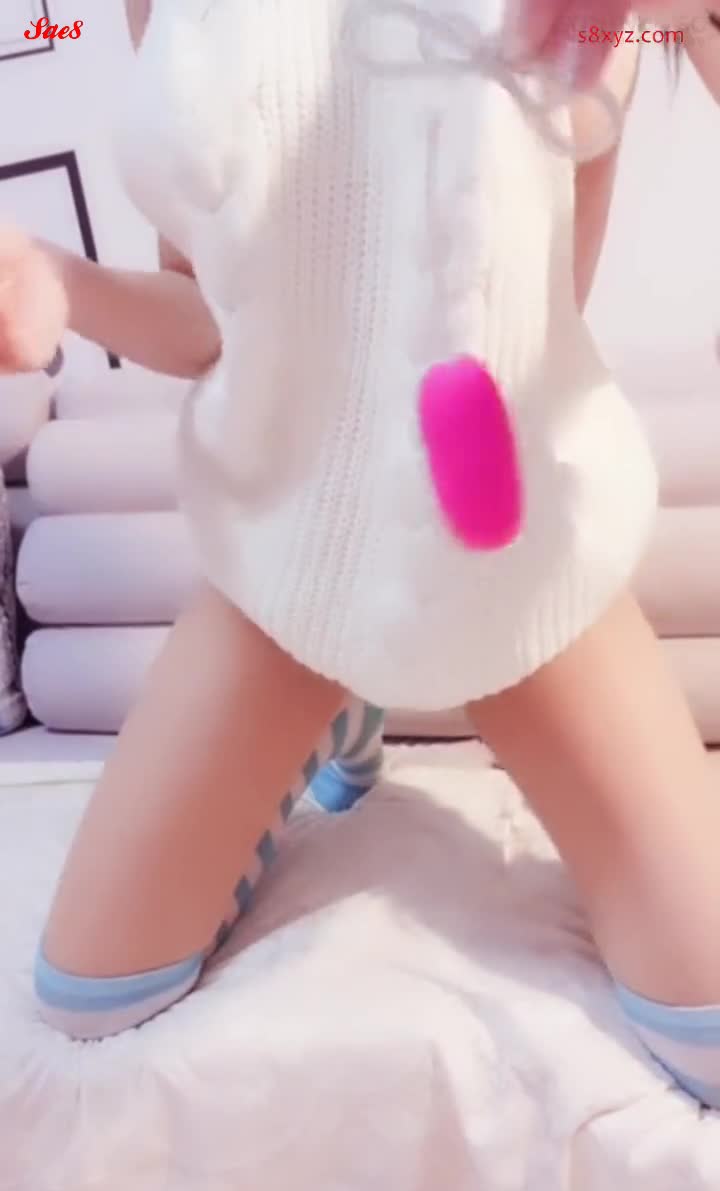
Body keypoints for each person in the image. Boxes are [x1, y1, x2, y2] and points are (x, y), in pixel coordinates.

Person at [6, 0, 720, 1107]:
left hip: (523, 546)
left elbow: (550, 302)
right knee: (91, 993)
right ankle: (333, 704)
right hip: (290, 554)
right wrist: (63, 281)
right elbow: (206, 317)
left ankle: (352, 695)